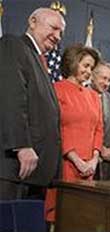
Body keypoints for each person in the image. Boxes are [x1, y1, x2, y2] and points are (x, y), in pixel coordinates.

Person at [0, 8, 65, 200]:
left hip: (34, 173)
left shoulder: (38, 59)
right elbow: (10, 97)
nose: (57, 36)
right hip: (15, 168)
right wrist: (22, 146)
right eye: (53, 28)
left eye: (60, 32)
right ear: (33, 21)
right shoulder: (12, 45)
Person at [45, 44, 102, 222]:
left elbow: (98, 129)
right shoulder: (56, 89)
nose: (88, 71)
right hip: (65, 164)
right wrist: (76, 160)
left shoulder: (93, 96)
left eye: (91, 68)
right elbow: (57, 127)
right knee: (63, 214)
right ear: (72, 63)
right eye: (85, 65)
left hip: (89, 168)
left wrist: (94, 159)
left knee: (84, 216)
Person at [90, 61, 110, 180]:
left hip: (108, 164)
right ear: (92, 76)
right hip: (87, 161)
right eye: (103, 78)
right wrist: (99, 148)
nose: (106, 83)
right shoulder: (81, 94)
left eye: (109, 80)